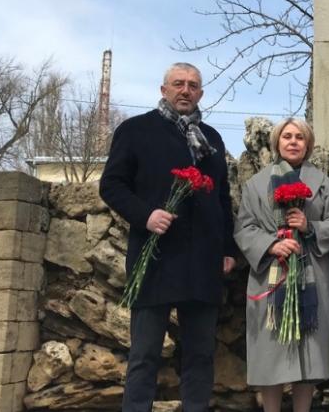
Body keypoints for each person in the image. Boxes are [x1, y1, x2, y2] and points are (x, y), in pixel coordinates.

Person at [99, 62, 236, 412]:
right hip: (155, 258)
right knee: (144, 353)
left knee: (200, 355)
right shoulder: (135, 130)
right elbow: (111, 185)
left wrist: (227, 248)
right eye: (178, 84)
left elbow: (222, 199)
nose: (185, 90)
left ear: (201, 94)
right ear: (164, 90)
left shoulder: (213, 139)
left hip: (202, 262)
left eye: (192, 85)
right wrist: (146, 215)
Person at [233, 118, 329, 412]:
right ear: (277, 142)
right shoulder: (256, 184)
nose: (293, 141)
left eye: (300, 137)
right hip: (270, 276)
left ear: (308, 145)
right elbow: (244, 228)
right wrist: (271, 244)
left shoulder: (322, 183)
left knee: (308, 354)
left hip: (311, 275)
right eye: (287, 136)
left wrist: (309, 226)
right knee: (270, 354)